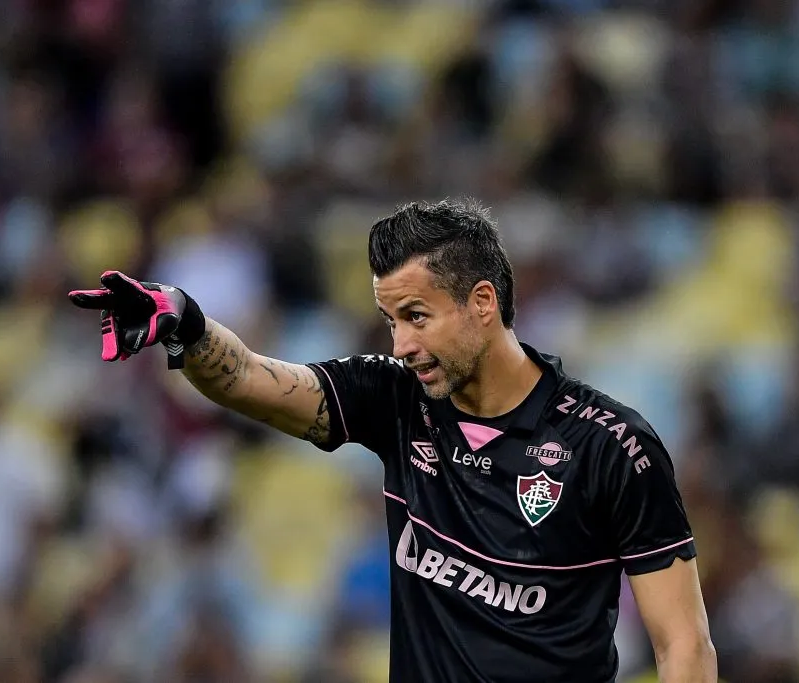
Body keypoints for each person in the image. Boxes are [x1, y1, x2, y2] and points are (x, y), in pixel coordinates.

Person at [69, 199, 717, 682]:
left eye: (416, 318)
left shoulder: (612, 446)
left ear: (483, 303)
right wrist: (185, 325)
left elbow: (683, 645)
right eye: (391, 320)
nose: (400, 343)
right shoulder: (398, 400)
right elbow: (251, 381)